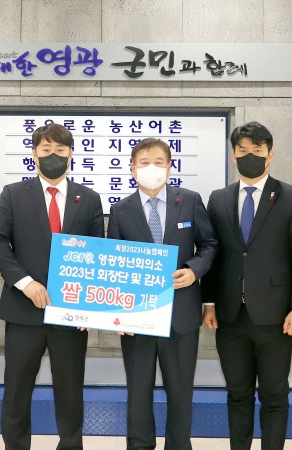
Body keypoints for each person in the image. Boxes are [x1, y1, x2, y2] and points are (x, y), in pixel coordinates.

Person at [0, 123, 104, 450]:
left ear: (71, 155)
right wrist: (25, 283)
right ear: (34, 155)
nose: (53, 156)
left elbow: (96, 252)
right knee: (16, 390)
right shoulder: (13, 194)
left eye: (60, 150)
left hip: (71, 314)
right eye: (46, 150)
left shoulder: (89, 199)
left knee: (70, 391)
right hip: (24, 311)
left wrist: (88, 308)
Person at [201, 121, 292, 450]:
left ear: (270, 155)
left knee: (274, 395)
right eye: (242, 150)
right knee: (237, 393)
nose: (249, 155)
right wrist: (209, 302)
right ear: (233, 156)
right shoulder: (219, 198)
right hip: (230, 316)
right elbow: (212, 253)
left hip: (276, 317)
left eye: (257, 150)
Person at [106, 138, 217, 450]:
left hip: (181, 314)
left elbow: (209, 244)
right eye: (144, 162)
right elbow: (113, 262)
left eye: (158, 161)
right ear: (132, 169)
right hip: (136, 316)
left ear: (169, 167)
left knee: (180, 392)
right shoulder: (120, 210)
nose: (151, 168)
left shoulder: (190, 200)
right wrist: (117, 314)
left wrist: (194, 270)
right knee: (138, 391)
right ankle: (139, 445)